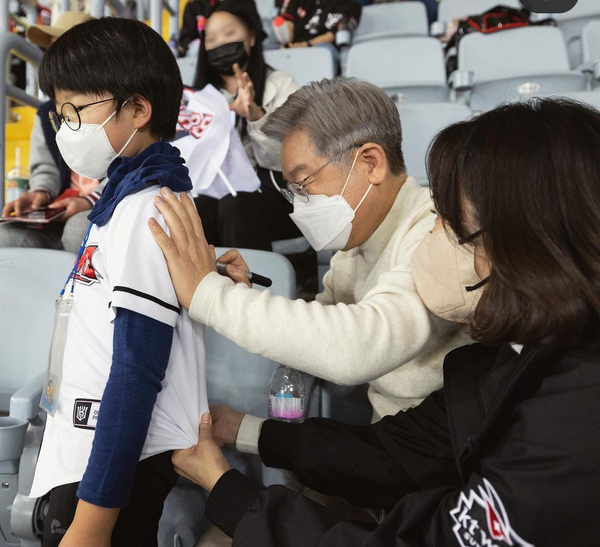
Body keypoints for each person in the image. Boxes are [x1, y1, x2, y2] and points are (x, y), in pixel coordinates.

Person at [171, 97, 600, 546]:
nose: (440, 236)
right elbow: (394, 450)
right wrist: (242, 433)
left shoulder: (565, 430)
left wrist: (207, 294)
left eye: (456, 227)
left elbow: (352, 346)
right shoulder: (504, 365)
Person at [150, 77, 470, 422]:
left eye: (304, 184)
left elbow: (355, 348)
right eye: (292, 192)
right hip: (391, 440)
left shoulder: (438, 229)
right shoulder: (356, 244)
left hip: (445, 450)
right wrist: (245, 292)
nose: (299, 205)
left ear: (371, 163)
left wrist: (209, 295)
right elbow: (321, 335)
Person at [28, 18, 208, 547]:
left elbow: (137, 371)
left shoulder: (147, 210)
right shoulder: (123, 202)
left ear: (136, 110)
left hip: (105, 473)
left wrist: (92, 522)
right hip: (89, 452)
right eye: (59, 114)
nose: (64, 130)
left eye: (76, 112)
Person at [190, 0, 302, 251]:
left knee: (235, 205)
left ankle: (249, 288)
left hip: (275, 195)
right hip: (215, 192)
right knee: (197, 209)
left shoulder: (282, 84)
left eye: (229, 33)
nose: (220, 43)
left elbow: (286, 161)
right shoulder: (197, 99)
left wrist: (255, 115)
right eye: (211, 39)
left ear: (251, 36)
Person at [0, 11, 101, 253]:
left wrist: (87, 201)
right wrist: (39, 195)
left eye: (62, 47)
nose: (52, 58)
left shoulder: (109, 104)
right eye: (51, 49)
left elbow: (127, 165)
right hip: (60, 209)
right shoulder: (47, 113)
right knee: (7, 235)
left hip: (103, 206)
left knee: (79, 229)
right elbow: (45, 168)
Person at [278, 0, 361, 57]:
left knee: (326, 50)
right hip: (294, 43)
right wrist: (286, 42)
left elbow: (332, 35)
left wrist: (306, 44)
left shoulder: (352, 6)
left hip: (320, 45)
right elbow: (289, 23)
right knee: (268, 49)